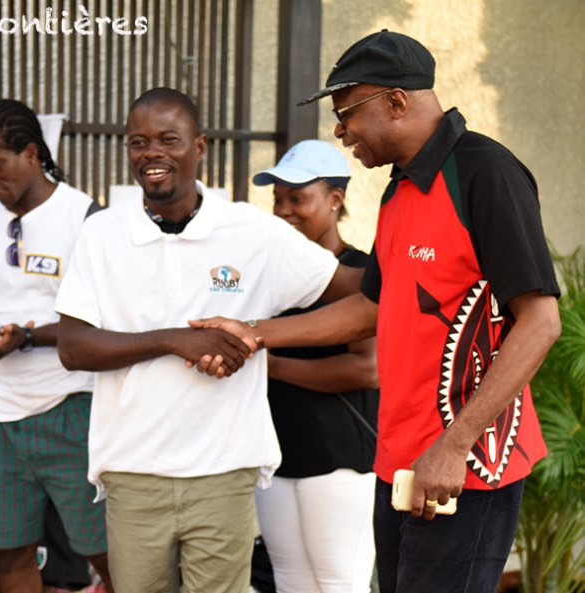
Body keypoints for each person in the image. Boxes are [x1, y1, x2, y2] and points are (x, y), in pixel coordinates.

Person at [191, 30, 561, 593]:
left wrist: (454, 445)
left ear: (397, 101)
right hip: (398, 462)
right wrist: (253, 332)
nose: (340, 132)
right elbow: (372, 308)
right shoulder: (399, 189)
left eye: (346, 113)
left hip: (464, 468)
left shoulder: (485, 172)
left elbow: (541, 321)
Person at [54, 87, 362, 593]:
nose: (151, 153)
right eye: (138, 142)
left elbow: (356, 290)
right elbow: (73, 348)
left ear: (199, 147)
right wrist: (175, 340)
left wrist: (256, 337)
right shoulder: (102, 233)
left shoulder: (251, 231)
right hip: (133, 472)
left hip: (225, 471)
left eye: (168, 139)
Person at [0, 99, 113, 593]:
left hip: (73, 405)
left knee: (105, 549)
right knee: (10, 552)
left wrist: (29, 337)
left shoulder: (86, 219)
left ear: (31, 153)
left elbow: (107, 317)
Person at [252, 139, 378, 593]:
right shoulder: (271, 276)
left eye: (297, 198)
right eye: (277, 198)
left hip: (340, 461)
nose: (284, 210)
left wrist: (272, 367)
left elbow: (368, 369)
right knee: (290, 583)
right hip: (278, 455)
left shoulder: (361, 273)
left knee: (339, 584)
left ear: (335, 199)